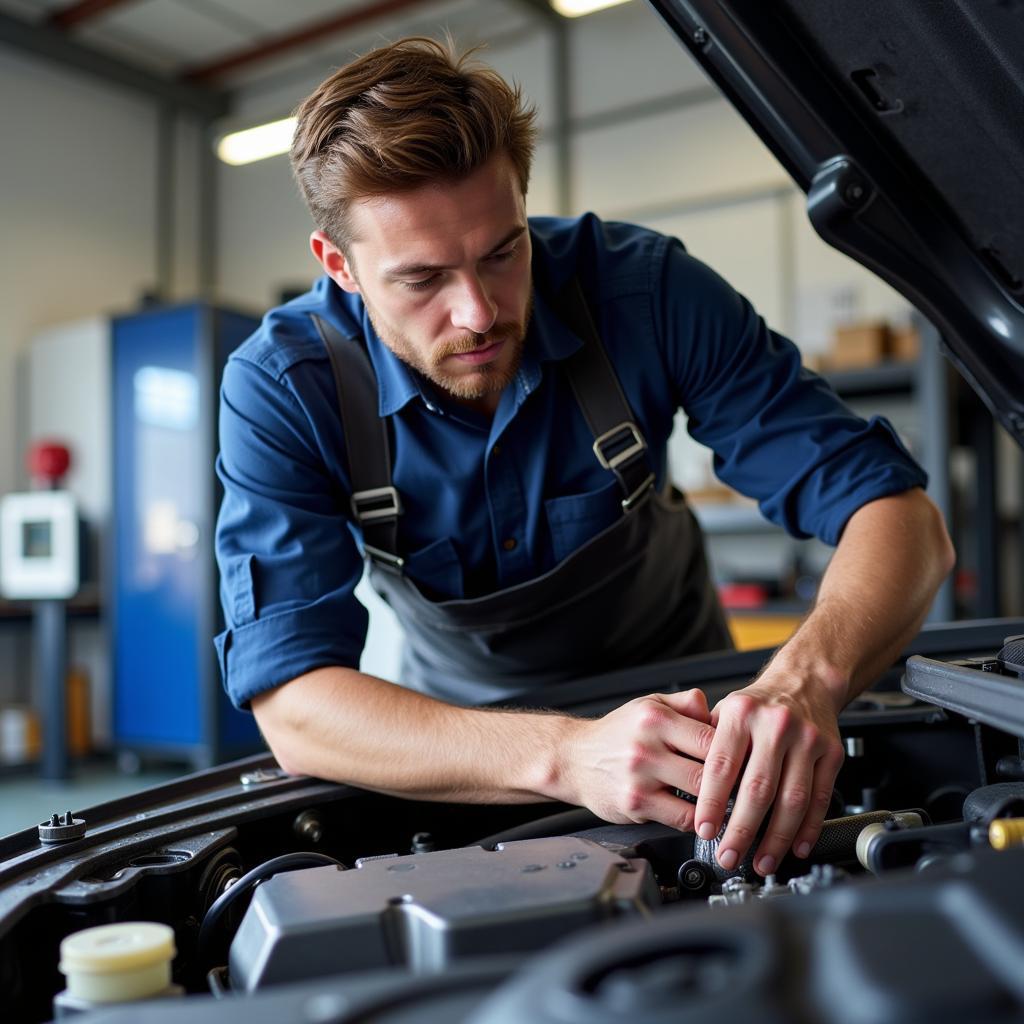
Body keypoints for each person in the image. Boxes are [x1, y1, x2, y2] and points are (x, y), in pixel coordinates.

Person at [215, 37, 954, 878]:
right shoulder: (284, 387)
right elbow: (296, 706)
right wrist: (568, 756)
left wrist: (807, 680)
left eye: (503, 250)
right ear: (338, 264)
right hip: (465, 760)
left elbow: (900, 518)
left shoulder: (646, 294)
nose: (479, 313)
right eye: (422, 279)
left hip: (702, 744)